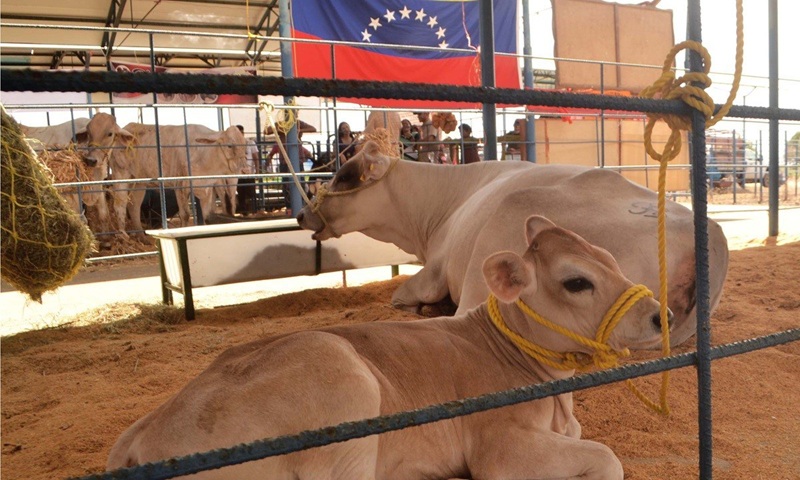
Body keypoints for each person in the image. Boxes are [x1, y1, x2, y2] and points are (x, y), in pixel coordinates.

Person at [265, 129, 314, 214]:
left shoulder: (297, 144)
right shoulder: (280, 143)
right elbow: (267, 132)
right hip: (286, 164)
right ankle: (290, 207)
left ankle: (300, 206)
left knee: (299, 185)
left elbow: (313, 130)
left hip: (297, 164)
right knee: (287, 186)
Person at [235, 125, 259, 215]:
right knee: (241, 193)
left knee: (251, 193)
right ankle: (244, 212)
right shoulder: (234, 145)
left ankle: (253, 211)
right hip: (239, 174)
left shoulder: (250, 143)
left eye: (241, 132)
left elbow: (256, 157)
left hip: (249, 173)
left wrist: (257, 170)